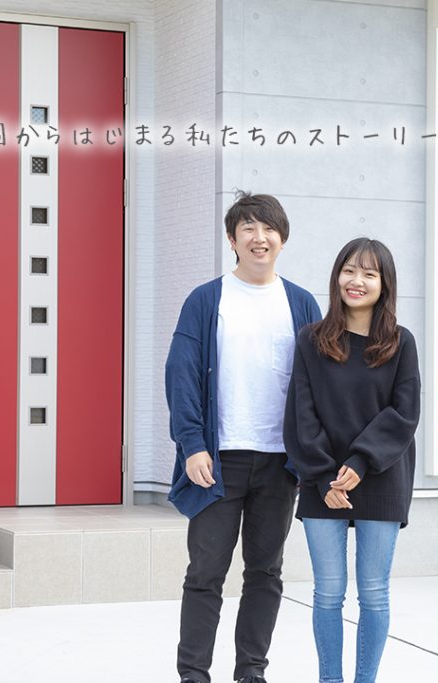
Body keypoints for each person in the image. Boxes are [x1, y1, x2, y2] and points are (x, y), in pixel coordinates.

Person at [165, 192, 322, 683]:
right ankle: (193, 674)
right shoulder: (206, 300)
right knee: (205, 572)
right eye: (248, 228)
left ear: (283, 239)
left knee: (265, 572)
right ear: (232, 239)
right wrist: (192, 445)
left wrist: (312, 454)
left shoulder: (301, 303)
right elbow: (181, 375)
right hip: (219, 461)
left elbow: (317, 385)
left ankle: (251, 671)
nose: (260, 237)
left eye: (269, 228)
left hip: (279, 463)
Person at [284, 238, 421, 683]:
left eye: (369, 273)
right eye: (349, 270)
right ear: (336, 276)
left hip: (381, 476)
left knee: (375, 594)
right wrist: (324, 476)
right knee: (327, 593)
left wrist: (361, 462)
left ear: (385, 284)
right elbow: (301, 414)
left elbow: (404, 414)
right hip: (322, 479)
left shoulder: (400, 343)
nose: (356, 281)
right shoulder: (311, 341)